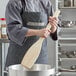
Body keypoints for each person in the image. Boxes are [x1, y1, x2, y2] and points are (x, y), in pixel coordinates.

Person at [5, 0, 58, 75]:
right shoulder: (14, 3)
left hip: (40, 57)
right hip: (18, 58)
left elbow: (53, 31)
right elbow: (13, 29)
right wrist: (38, 32)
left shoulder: (46, 3)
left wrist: (53, 27)